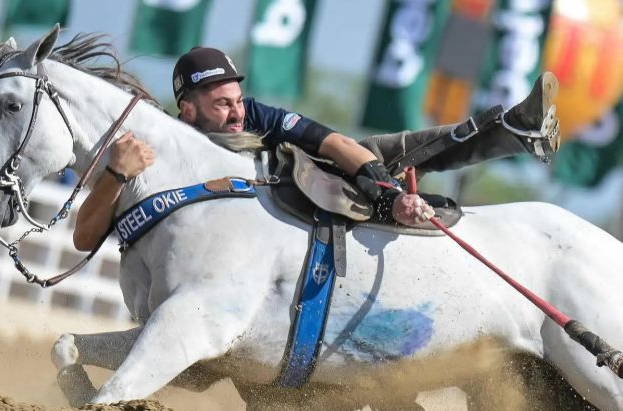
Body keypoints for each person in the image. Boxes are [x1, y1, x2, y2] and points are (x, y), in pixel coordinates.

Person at [73, 47, 560, 251]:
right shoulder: (155, 148)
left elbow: (332, 141)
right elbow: (84, 239)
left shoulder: (257, 115)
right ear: (188, 110)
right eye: (222, 105)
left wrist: (383, 188)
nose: (239, 113)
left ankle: (515, 129)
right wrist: (116, 175)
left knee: (386, 148)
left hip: (295, 194)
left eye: (238, 100)